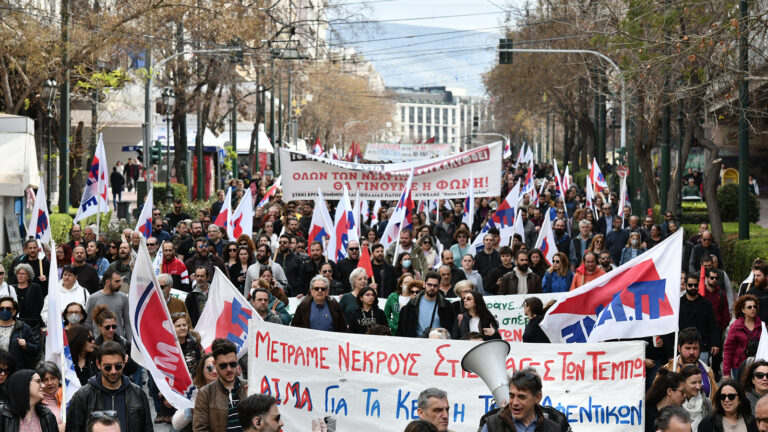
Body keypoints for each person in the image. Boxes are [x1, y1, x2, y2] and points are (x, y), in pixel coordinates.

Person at [67, 341, 152, 432]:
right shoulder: (82, 396)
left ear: (124, 362)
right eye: (108, 367)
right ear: (98, 364)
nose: (113, 371)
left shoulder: (138, 394)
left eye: (118, 366)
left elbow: (147, 428)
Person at [193, 338, 248, 431]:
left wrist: (251, 402)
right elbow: (200, 429)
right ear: (215, 364)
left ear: (237, 360)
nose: (229, 369)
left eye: (232, 364)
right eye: (223, 365)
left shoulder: (250, 387)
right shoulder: (205, 393)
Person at [480, 370, 560, 432]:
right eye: (511, 396)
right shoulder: (492, 426)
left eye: (521, 397)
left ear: (537, 398)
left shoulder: (553, 429)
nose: (515, 403)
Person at [661, 327, 718, 401]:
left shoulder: (708, 371)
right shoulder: (666, 371)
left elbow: (715, 400)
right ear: (679, 348)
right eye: (687, 348)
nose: (691, 352)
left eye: (695, 348)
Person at [397, 272, 456, 338]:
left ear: (439, 287)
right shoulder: (411, 306)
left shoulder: (447, 306)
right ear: (424, 285)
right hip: (416, 342)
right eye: (429, 285)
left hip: (439, 342)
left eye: (435, 285)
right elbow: (402, 331)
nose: (432, 287)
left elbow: (452, 329)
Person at [679, 274, 720, 366]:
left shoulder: (706, 304)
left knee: (702, 372)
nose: (693, 287)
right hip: (684, 346)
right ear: (685, 285)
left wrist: (715, 343)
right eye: (690, 285)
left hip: (702, 347)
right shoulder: (678, 303)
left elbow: (713, 324)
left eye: (695, 285)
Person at [171, 352, 218, 431]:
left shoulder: (231, 390)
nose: (214, 371)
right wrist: (191, 408)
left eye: (218, 367)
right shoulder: (193, 391)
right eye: (210, 367)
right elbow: (176, 425)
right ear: (202, 370)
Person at [84, 269, 130, 340]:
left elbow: (127, 323)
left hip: (119, 341)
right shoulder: (93, 298)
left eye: (120, 281)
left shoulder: (123, 297)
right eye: (117, 281)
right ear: (107, 282)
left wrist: (130, 342)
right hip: (99, 341)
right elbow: (88, 322)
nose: (120, 284)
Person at [724, 295, 762, 380]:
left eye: (755, 306)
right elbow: (728, 350)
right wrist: (726, 372)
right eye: (749, 307)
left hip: (758, 364)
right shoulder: (735, 327)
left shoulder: (762, 325)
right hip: (739, 366)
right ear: (743, 310)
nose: (753, 309)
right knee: (741, 388)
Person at [0, 297, 39, 370]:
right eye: (1, 309)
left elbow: (36, 348)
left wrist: (26, 345)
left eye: (8, 309)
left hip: (16, 370)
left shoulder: (23, 328)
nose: (4, 311)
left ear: (14, 312)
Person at [10, 264, 44, 333]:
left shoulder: (35, 288)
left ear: (28, 276)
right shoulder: (11, 288)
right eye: (18, 273)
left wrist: (41, 324)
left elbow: (40, 306)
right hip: (16, 324)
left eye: (23, 274)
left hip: (32, 324)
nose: (20, 276)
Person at [680, 364, 712, 431]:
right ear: (683, 383)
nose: (698, 386)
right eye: (693, 383)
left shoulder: (706, 402)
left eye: (700, 382)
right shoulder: (676, 403)